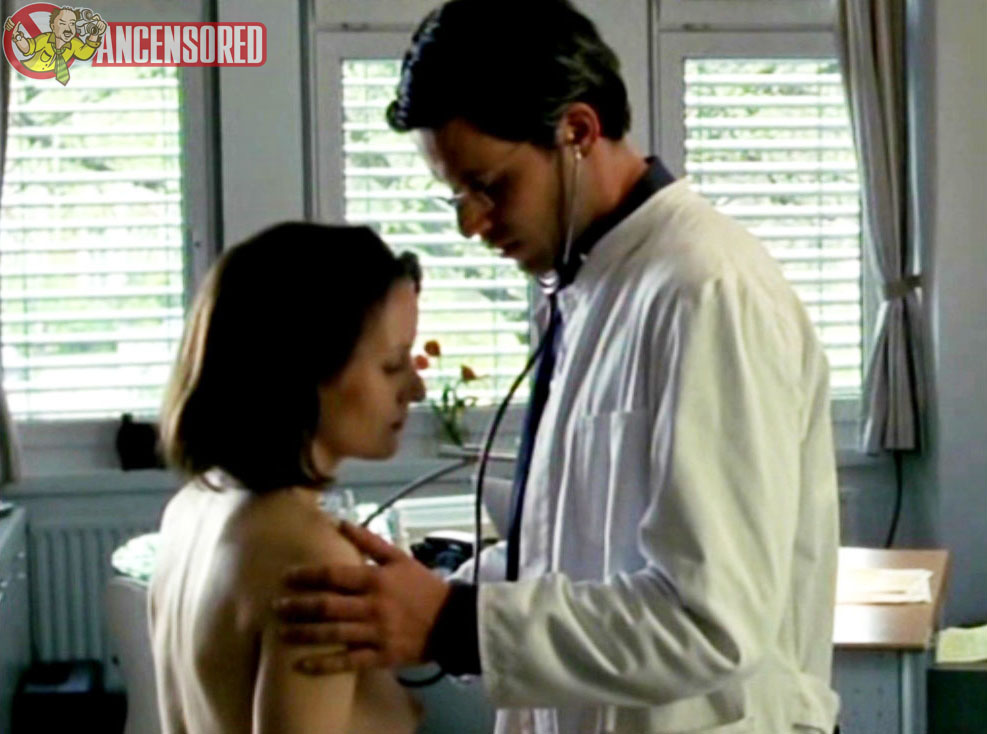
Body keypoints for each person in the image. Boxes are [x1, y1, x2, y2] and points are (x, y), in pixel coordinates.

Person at [274, 1, 841, 732]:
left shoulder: (705, 291)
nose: (471, 224)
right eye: (458, 196)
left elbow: (710, 622)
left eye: (489, 185)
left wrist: (454, 623)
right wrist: (429, 593)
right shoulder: (588, 285)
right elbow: (574, 553)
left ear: (577, 131)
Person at [150, 223, 426, 734]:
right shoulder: (313, 562)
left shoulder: (190, 507)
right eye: (391, 365)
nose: (416, 388)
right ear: (304, 368)